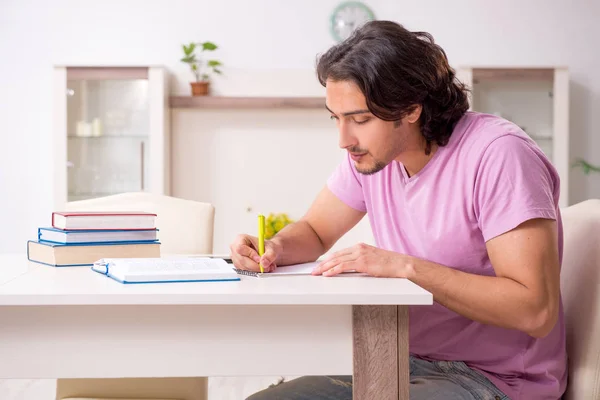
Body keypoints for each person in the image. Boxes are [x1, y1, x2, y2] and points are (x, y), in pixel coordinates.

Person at [230, 20, 566, 400]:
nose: (344, 139)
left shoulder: (499, 155)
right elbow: (316, 231)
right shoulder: (375, 156)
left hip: (494, 378)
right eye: (336, 119)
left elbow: (534, 311)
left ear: (410, 109)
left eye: (360, 120)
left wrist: (405, 267)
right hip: (398, 359)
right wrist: (273, 247)